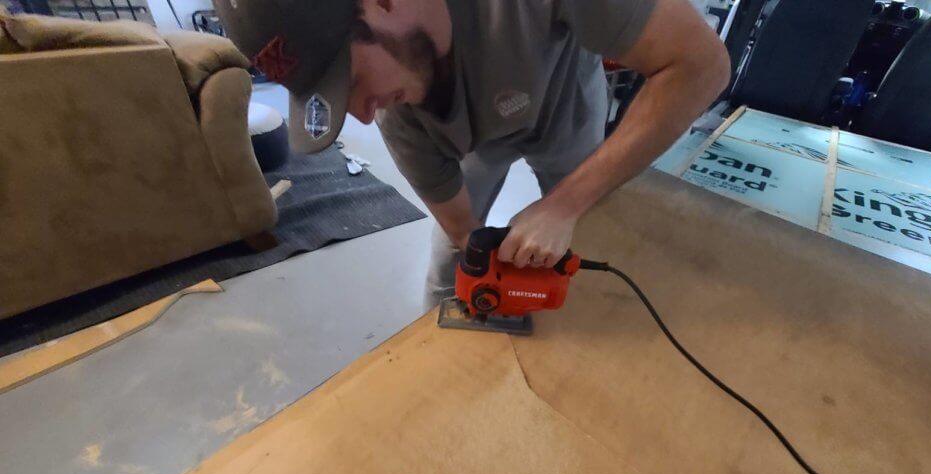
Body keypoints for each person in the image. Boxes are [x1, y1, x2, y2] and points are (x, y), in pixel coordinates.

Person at [215, 0, 730, 309]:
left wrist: (564, 205)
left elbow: (702, 65)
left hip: (562, 103)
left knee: (583, 243)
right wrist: (489, 271)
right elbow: (464, 231)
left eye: (352, 79)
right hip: (468, 137)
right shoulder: (401, 114)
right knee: (453, 266)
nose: (365, 117)